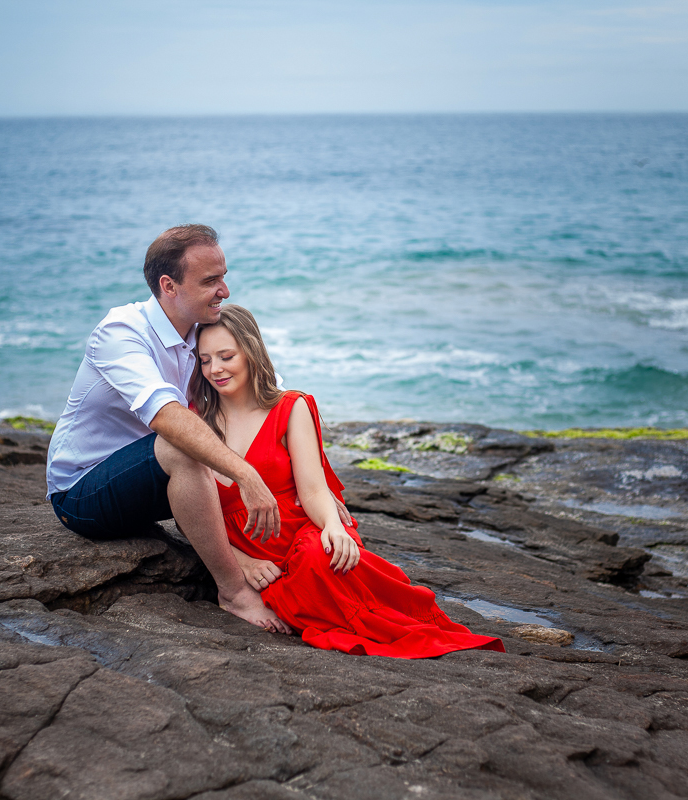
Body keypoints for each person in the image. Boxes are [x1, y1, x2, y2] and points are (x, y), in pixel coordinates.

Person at [190, 305, 505, 658]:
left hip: (300, 533)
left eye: (225, 356)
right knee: (297, 577)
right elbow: (190, 509)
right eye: (204, 360)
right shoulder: (194, 422)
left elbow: (312, 489)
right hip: (249, 551)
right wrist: (240, 562)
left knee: (320, 555)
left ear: (251, 352)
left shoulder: (291, 407)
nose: (214, 369)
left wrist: (332, 527)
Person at [47, 224, 315, 634]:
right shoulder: (121, 332)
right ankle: (233, 591)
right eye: (211, 281)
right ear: (169, 286)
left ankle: (242, 556)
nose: (224, 290)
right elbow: (167, 417)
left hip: (152, 484)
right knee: (186, 446)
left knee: (211, 448)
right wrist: (244, 474)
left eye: (224, 276)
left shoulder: (200, 335)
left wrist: (321, 499)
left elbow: (247, 407)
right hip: (81, 494)